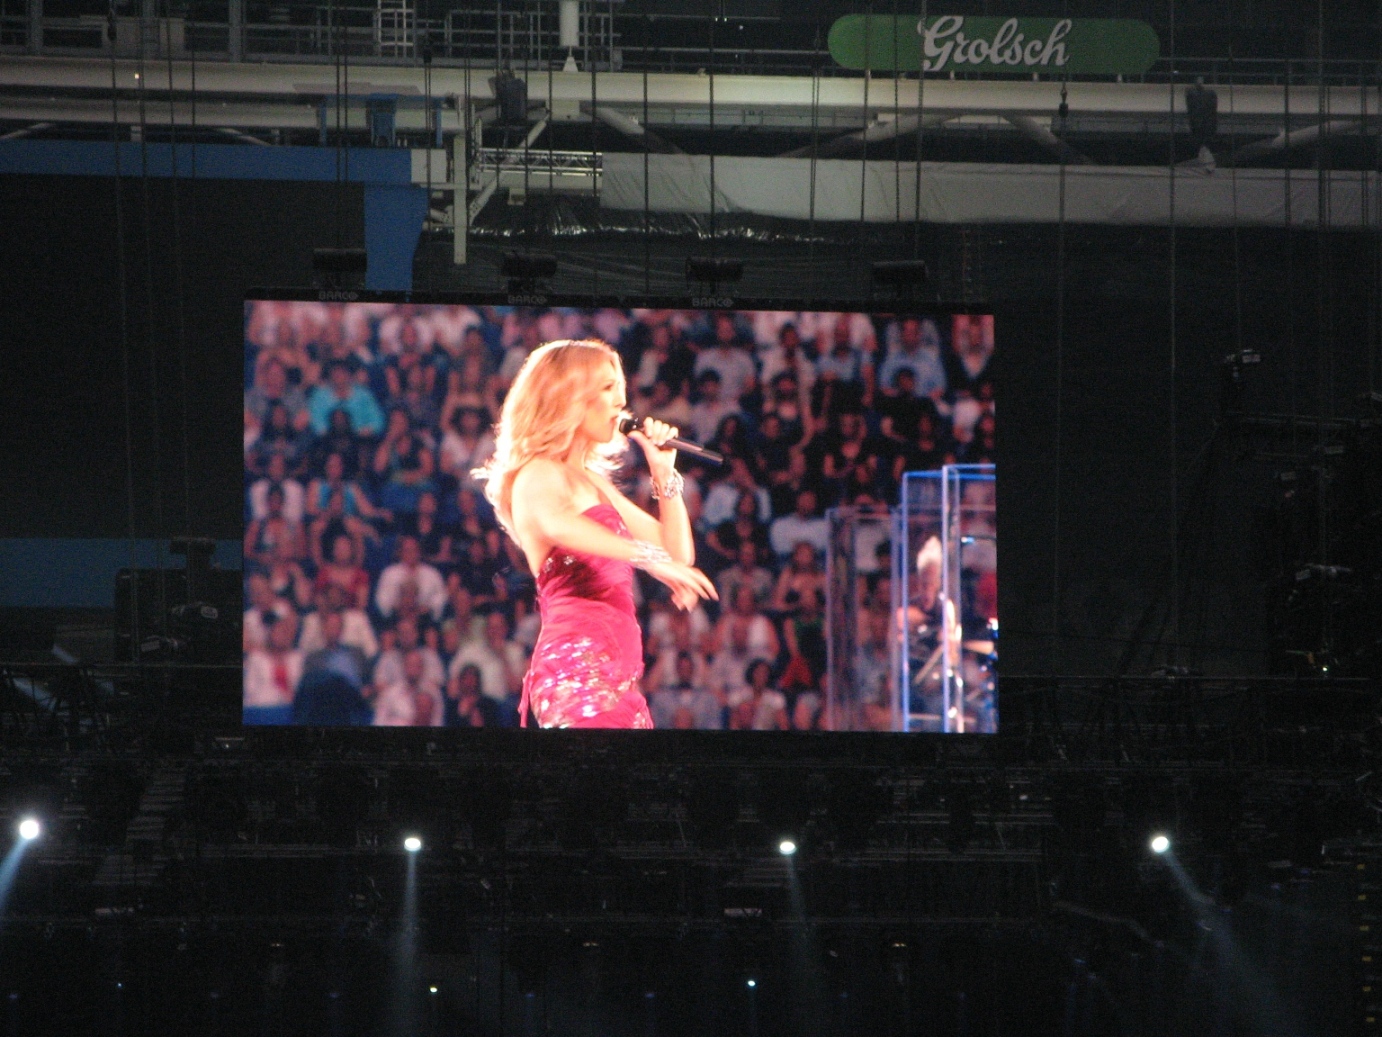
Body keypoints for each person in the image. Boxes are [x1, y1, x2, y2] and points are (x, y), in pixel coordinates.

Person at [475, 338, 717, 729]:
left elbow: (677, 553)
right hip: (577, 671)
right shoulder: (537, 473)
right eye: (607, 388)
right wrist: (647, 559)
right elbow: (559, 523)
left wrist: (663, 473)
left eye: (620, 388)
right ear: (569, 396)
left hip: (620, 681)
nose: (621, 401)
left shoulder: (594, 482)